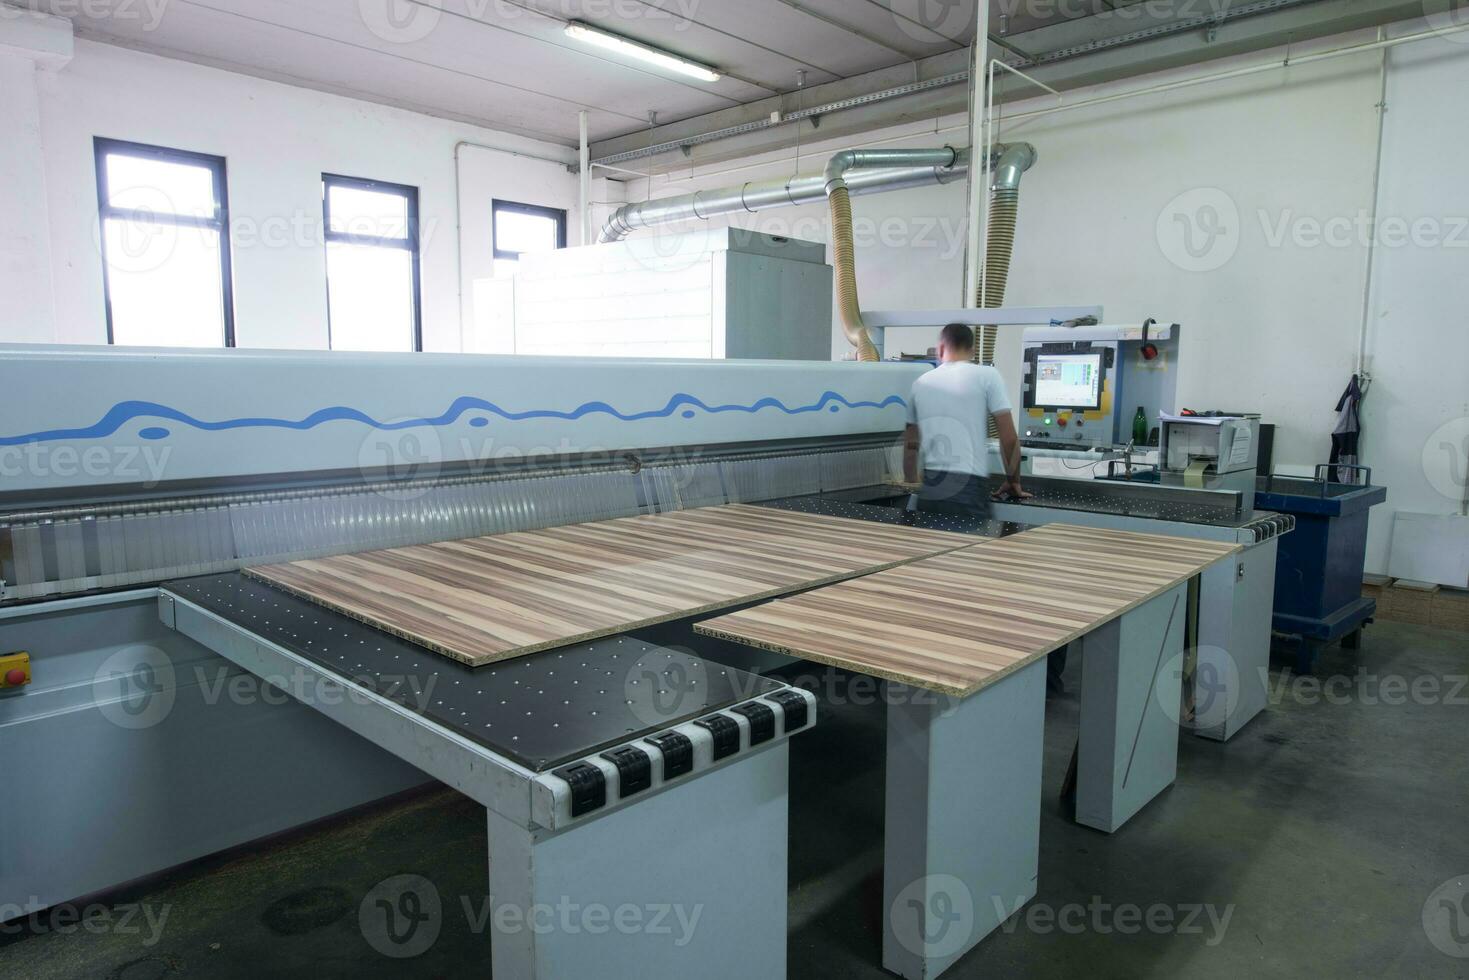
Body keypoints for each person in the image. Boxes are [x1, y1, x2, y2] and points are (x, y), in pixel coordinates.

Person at [902, 322, 1031, 517]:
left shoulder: (920, 383)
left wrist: (911, 481)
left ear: (941, 348)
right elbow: (1009, 438)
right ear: (972, 351)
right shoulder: (988, 376)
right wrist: (1014, 482)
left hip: (930, 488)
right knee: (970, 547)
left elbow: (911, 443)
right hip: (968, 488)